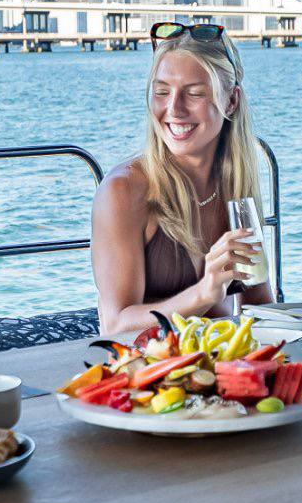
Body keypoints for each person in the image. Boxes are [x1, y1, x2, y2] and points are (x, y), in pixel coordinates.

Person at [92, 23, 272, 335]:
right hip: (150, 372)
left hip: (221, 366)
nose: (173, 109)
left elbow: (260, 307)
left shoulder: (236, 184)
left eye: (194, 93)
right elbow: (115, 324)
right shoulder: (123, 190)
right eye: (162, 91)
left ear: (231, 102)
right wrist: (205, 292)